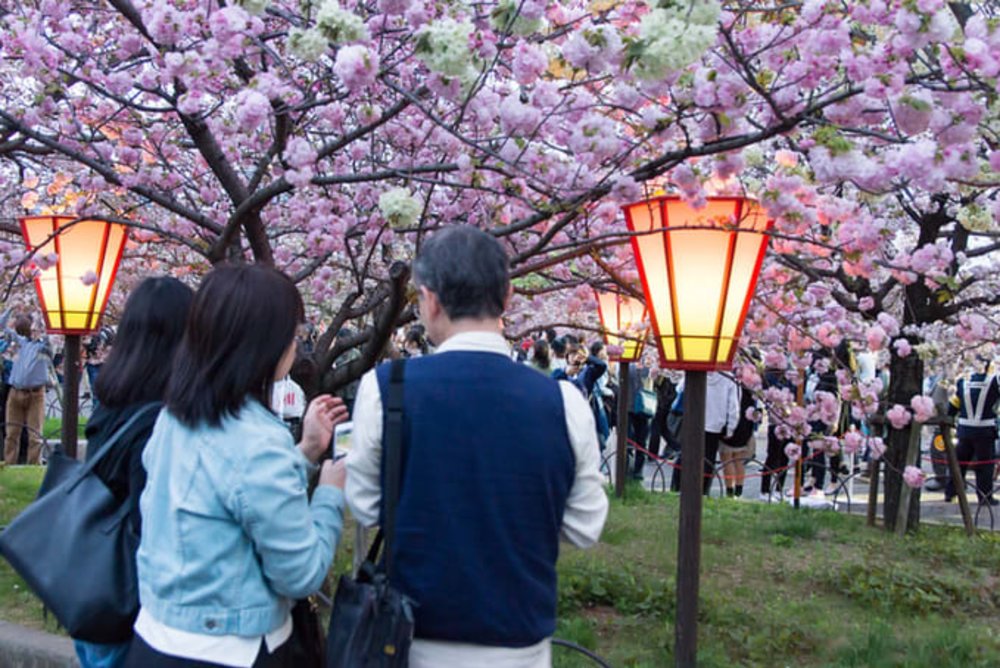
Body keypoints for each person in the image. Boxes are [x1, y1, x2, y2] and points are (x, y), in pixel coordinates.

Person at [346, 226, 608, 667]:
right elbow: (584, 527)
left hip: (412, 643)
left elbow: (367, 506)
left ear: (430, 300)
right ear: (507, 297)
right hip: (521, 644)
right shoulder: (562, 401)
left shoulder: (387, 388)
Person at [126, 265, 350, 668]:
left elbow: (230, 492)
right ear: (264, 343)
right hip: (231, 650)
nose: (295, 346)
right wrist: (330, 494)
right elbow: (300, 575)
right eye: (292, 335)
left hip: (155, 638)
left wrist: (304, 453)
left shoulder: (173, 418)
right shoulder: (257, 440)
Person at [72, 277, 194, 668]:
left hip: (91, 589)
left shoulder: (112, 398)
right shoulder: (157, 421)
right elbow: (150, 525)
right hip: (128, 602)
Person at [945, 357, 999, 506]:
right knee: (984, 466)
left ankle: (951, 493)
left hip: (964, 430)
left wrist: (948, 420)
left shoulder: (963, 381)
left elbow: (953, 405)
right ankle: (985, 497)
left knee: (959, 464)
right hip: (985, 431)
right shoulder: (994, 381)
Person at [1, 310, 52, 465]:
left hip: (35, 393)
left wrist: (41, 326)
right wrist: (11, 309)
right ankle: (9, 463)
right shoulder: (21, 342)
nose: (33, 330)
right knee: (11, 432)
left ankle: (34, 465)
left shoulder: (43, 347)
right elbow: (2, 325)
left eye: (36, 328)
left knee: (34, 434)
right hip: (15, 391)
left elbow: (49, 350)